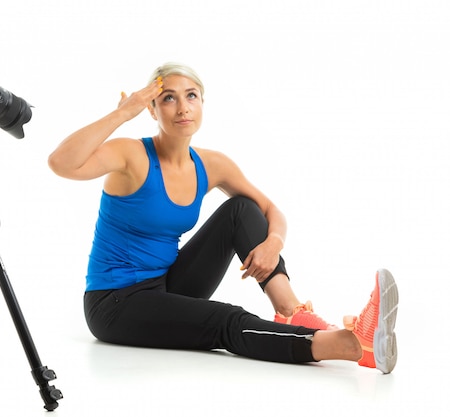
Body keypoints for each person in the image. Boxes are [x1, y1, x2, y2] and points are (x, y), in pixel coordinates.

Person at [47, 63, 399, 373]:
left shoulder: (211, 164)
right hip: (115, 303)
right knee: (224, 320)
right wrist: (123, 113)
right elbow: (61, 162)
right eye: (168, 98)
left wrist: (273, 245)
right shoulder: (131, 155)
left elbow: (269, 210)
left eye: (191, 96)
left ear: (202, 103)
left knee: (241, 210)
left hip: (168, 284)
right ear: (152, 109)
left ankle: (292, 311)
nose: (182, 107)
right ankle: (351, 345)